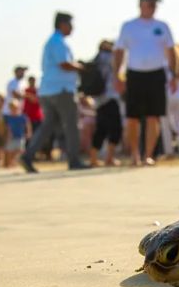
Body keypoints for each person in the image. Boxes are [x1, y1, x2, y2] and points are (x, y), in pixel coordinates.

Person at [114, 0, 176, 166]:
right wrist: (117, 76)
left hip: (157, 74)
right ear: (141, 4)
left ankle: (148, 155)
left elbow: (172, 52)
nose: (153, 7)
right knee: (132, 117)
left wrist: (173, 74)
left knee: (153, 116)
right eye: (150, 3)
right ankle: (134, 155)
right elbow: (119, 52)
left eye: (155, 4)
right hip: (134, 74)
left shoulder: (163, 26)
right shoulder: (128, 26)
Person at [20, 12, 86, 173]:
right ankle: (74, 160)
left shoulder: (52, 41)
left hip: (47, 91)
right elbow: (64, 64)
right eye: (70, 24)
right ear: (62, 24)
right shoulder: (58, 42)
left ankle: (28, 155)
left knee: (47, 126)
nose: (72, 28)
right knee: (71, 125)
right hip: (61, 90)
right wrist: (81, 67)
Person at [90, 40, 123, 166]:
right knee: (116, 128)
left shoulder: (96, 58)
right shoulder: (109, 57)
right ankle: (109, 157)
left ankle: (94, 158)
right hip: (110, 96)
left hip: (98, 99)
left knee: (101, 128)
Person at [3, 100, 31, 168]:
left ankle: (14, 162)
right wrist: (7, 135)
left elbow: (28, 124)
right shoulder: (8, 117)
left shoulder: (22, 116)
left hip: (20, 136)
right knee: (9, 150)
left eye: (15, 107)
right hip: (11, 137)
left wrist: (28, 132)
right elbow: (7, 127)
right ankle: (9, 164)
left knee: (20, 150)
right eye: (11, 107)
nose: (13, 108)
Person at [23, 76, 43, 144]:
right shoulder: (25, 90)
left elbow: (36, 100)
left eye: (33, 80)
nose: (32, 82)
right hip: (27, 117)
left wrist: (28, 96)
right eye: (31, 80)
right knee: (28, 136)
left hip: (37, 117)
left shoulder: (39, 91)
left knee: (37, 136)